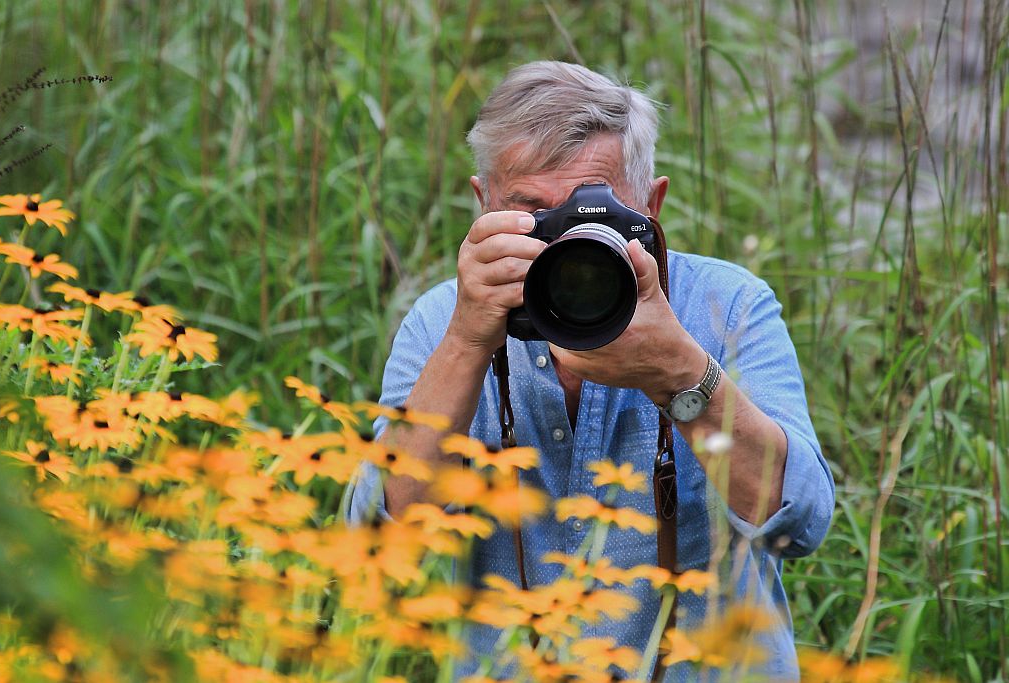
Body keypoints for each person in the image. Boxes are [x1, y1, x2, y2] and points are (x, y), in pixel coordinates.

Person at [346, 60, 834, 681]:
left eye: (589, 214)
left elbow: (799, 521)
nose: (563, 244)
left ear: (650, 205)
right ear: (483, 202)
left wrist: (679, 373)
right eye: (531, 215)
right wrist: (469, 340)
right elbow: (379, 546)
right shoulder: (443, 320)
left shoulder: (726, 307)